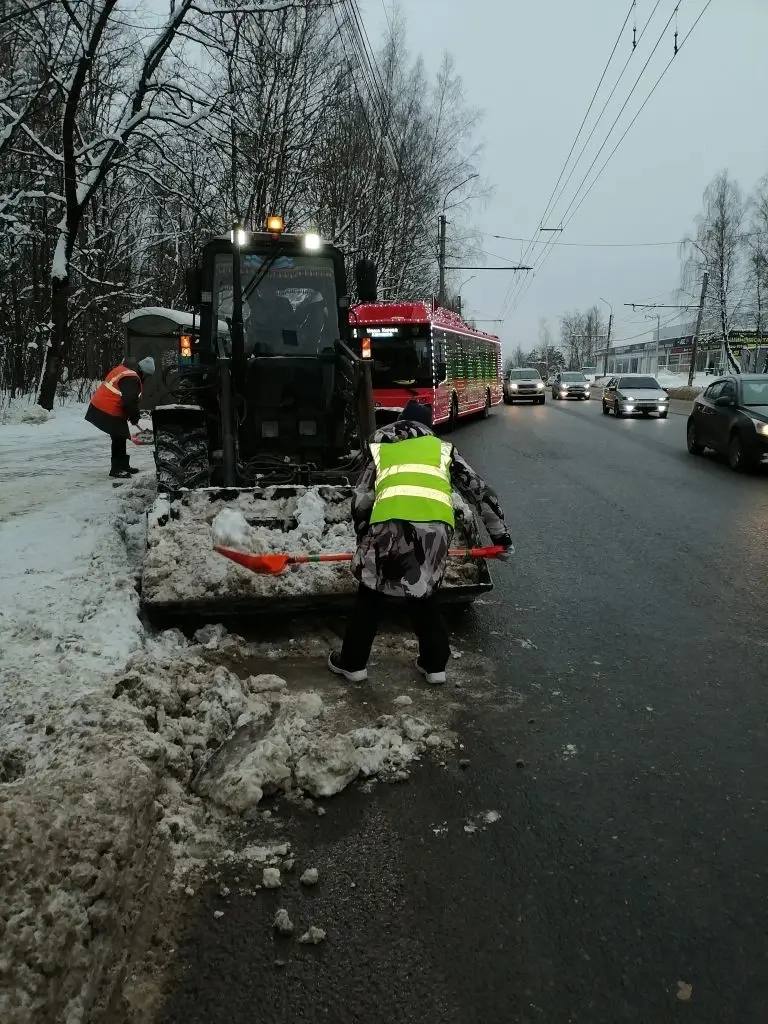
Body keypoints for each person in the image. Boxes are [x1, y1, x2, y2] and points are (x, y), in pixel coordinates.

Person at [328, 399, 512, 686]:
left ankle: (353, 664)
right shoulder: (442, 449)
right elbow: (480, 491)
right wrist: (501, 537)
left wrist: (364, 535)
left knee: (371, 593)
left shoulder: (381, 446)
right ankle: (434, 665)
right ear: (427, 428)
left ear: (402, 422)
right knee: (423, 591)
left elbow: (362, 497)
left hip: (389, 522)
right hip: (436, 527)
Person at [85, 356, 155, 478]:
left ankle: (123, 466)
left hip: (102, 404)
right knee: (118, 437)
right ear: (143, 372)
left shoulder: (124, 370)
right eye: (147, 375)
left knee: (120, 436)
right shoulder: (132, 378)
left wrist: (131, 415)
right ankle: (116, 469)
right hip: (108, 407)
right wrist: (134, 416)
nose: (146, 378)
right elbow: (129, 401)